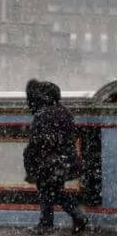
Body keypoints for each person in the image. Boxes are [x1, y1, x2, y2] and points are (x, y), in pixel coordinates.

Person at [23, 79, 88, 235]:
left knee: (50, 192)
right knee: (52, 191)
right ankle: (50, 223)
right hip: (64, 160)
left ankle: (56, 221)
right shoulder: (64, 112)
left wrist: (31, 159)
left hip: (49, 162)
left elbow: (37, 143)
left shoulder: (43, 114)